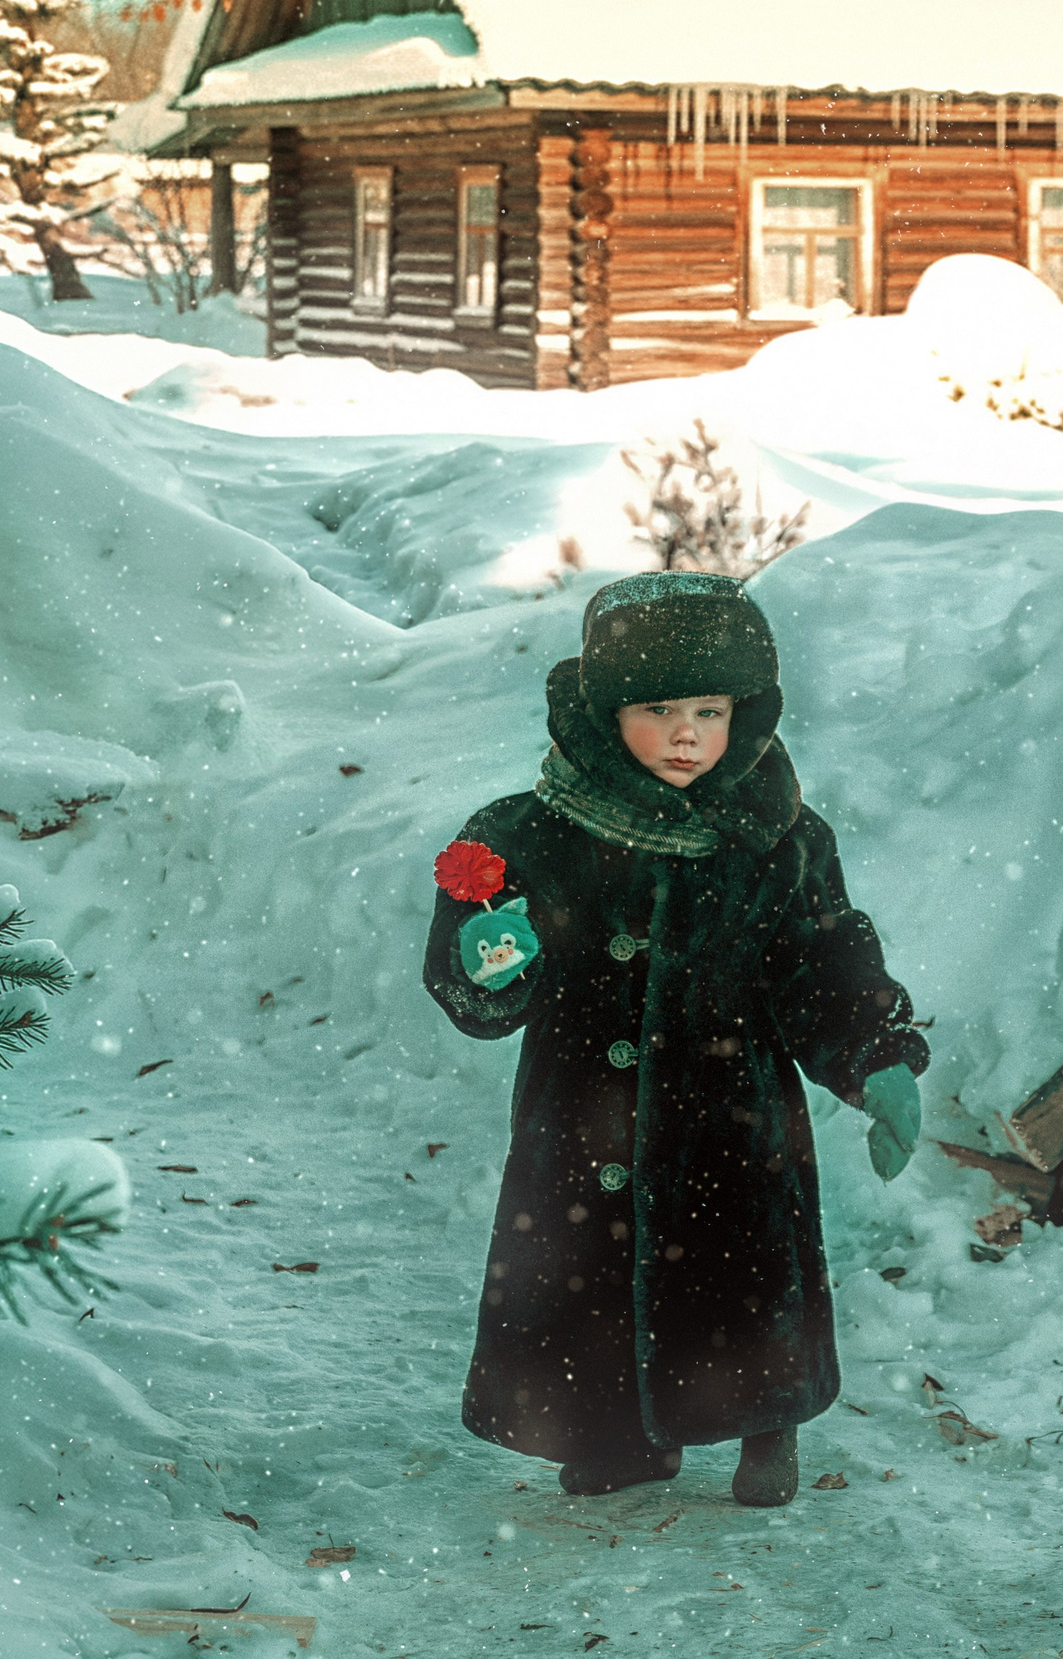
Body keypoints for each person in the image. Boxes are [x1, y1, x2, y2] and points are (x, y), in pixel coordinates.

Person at [423, 570, 929, 1508]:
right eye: (658, 707)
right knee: (591, 1277)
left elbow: (826, 961)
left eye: (710, 707)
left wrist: (879, 1057)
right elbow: (474, 985)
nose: (688, 732)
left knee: (737, 1278)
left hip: (732, 1122)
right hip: (584, 1119)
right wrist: (489, 966)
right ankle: (619, 1434)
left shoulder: (777, 837)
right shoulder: (528, 834)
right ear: (606, 708)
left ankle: (762, 1426)